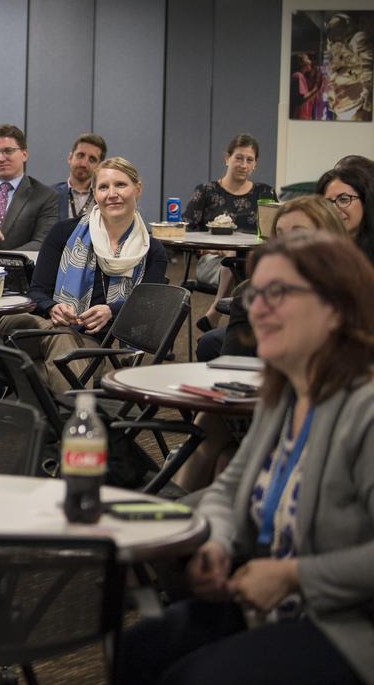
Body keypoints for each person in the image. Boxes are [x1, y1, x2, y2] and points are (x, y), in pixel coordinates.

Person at [120, 231, 373, 685]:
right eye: (256, 293)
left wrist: (295, 576)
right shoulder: (286, 397)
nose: (258, 308)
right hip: (272, 608)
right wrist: (217, 542)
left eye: (280, 292)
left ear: (336, 307)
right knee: (137, 650)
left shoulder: (365, 409)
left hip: (347, 626)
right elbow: (228, 489)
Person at [179, 195, 347, 492]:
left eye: (299, 236)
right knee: (213, 434)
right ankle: (171, 510)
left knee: (222, 453)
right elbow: (234, 370)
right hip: (261, 407)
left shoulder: (346, 304)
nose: (285, 247)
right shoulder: (253, 294)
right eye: (279, 236)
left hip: (316, 425)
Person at [0, 157, 168, 394]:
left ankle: (54, 422)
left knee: (41, 366)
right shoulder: (64, 232)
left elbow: (150, 307)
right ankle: (79, 421)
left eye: (121, 185)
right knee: (63, 339)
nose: (112, 194)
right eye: (103, 187)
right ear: (94, 193)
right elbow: (36, 292)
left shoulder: (152, 250)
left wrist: (111, 311)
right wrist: (52, 308)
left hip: (89, 343)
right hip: (29, 327)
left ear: (138, 189)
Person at [184, 134, 277, 331]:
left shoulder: (265, 193)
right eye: (239, 158)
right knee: (238, 257)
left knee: (244, 257)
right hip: (213, 262)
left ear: (255, 164)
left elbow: (273, 233)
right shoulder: (206, 191)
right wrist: (214, 250)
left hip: (253, 261)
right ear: (227, 159)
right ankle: (235, 330)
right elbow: (186, 231)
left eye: (249, 160)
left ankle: (216, 317)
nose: (244, 164)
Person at [317, 164, 374, 262]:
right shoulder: (316, 249)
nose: (334, 209)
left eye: (343, 200)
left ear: (365, 202)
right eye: (328, 202)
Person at [53, 133, 107, 222]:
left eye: (92, 159)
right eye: (80, 155)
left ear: (99, 166)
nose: (83, 164)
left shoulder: (105, 197)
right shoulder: (50, 195)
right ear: (70, 157)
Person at [289, 52, 322, 121]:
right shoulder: (298, 76)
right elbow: (301, 100)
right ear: (301, 62)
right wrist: (317, 87)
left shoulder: (302, 77)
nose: (310, 61)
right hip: (299, 118)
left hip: (303, 118)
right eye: (307, 59)